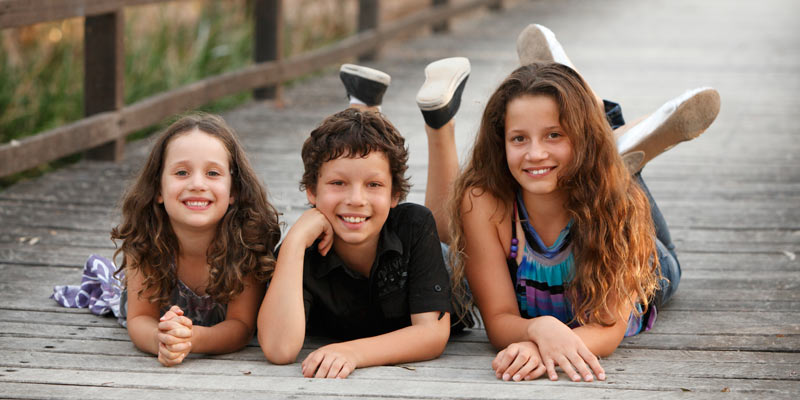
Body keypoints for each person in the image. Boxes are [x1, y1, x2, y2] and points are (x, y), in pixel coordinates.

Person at [421, 25, 720, 383]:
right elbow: (498, 322)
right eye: (519, 138)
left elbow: (607, 329)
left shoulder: (617, 207)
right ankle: (605, 128)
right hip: (584, 197)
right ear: (501, 143)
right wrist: (541, 329)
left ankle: (608, 133)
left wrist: (538, 348)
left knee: (629, 203)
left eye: (554, 135)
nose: (535, 153)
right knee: (607, 169)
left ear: (581, 141)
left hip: (650, 267)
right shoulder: (484, 203)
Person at [256, 62, 472, 378]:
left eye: (373, 185)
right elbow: (279, 349)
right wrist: (294, 242)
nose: (356, 198)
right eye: (337, 183)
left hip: (444, 270)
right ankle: (363, 110)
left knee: (447, 238)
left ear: (396, 194)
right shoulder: (301, 253)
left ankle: (438, 123)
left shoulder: (413, 225)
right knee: (362, 157)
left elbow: (432, 334)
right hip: (371, 240)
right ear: (311, 191)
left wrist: (353, 352)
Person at [52, 113, 282, 367]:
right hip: (160, 324)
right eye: (181, 172)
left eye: (213, 173)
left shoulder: (247, 242)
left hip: (211, 336)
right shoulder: (146, 240)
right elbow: (139, 318)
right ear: (158, 188)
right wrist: (161, 340)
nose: (197, 184)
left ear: (234, 190)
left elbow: (241, 326)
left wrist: (192, 339)